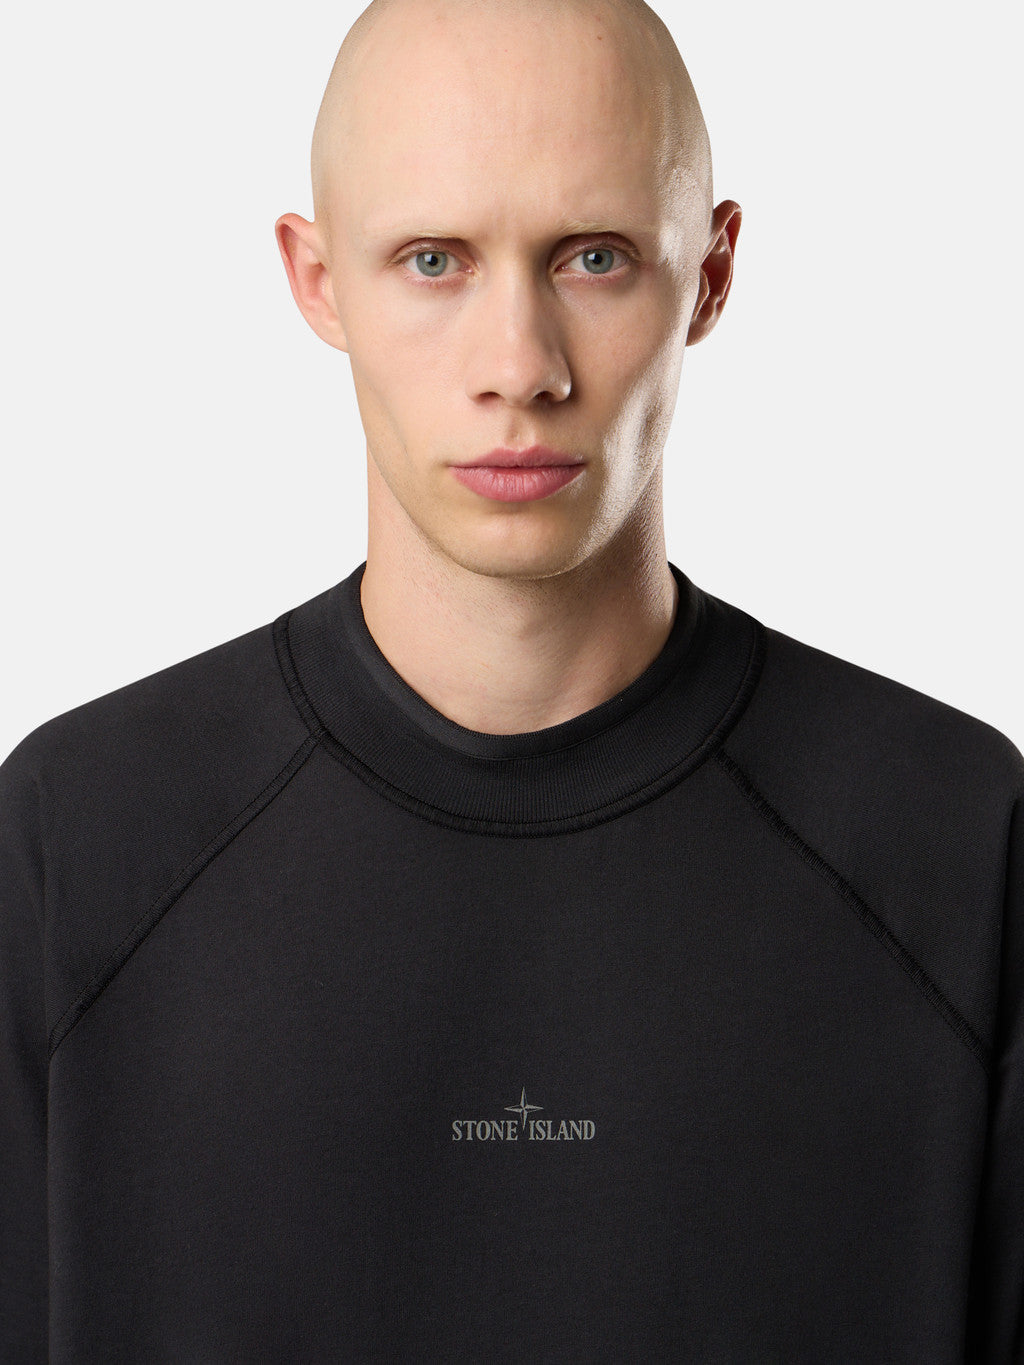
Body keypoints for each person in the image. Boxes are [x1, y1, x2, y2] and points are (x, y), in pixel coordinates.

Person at [1, 0, 1020, 1359]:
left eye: (594, 258)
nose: (519, 369)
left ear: (712, 274)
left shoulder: (955, 841)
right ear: (317, 282)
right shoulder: (79, 840)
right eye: (434, 261)